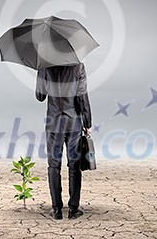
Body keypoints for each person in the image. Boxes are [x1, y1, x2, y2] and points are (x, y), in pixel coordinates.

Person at [35, 63, 92, 220]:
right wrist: (87, 123)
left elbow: (40, 96)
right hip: (73, 123)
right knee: (74, 166)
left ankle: (57, 210)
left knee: (54, 166)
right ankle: (74, 209)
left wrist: (42, 74)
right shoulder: (78, 67)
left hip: (54, 124)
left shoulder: (44, 67)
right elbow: (82, 97)